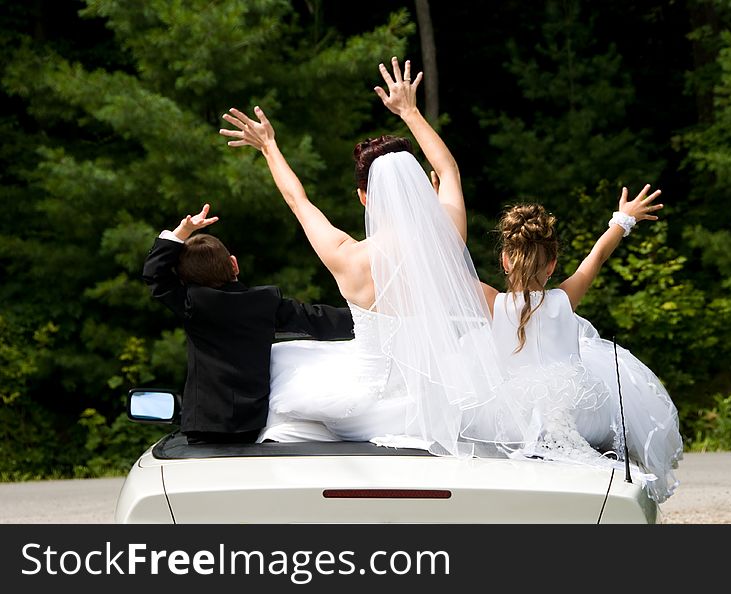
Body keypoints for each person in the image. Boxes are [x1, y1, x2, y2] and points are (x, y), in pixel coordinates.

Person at [220, 57, 502, 456]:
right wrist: (410, 112)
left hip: (362, 408)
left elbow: (298, 202)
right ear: (420, 190)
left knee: (285, 358)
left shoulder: (347, 257)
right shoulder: (446, 239)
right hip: (437, 402)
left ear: (363, 197)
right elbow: (450, 170)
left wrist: (269, 147)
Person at [471, 192, 684, 503]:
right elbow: (596, 256)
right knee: (600, 410)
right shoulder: (564, 299)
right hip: (573, 408)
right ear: (553, 263)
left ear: (505, 260)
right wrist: (624, 219)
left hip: (511, 414)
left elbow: (446, 273)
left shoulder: (491, 302)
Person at [142, 204, 355, 445]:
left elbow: (154, 274)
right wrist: (373, 318)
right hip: (252, 423)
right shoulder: (265, 302)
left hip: (205, 424)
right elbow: (319, 320)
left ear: (184, 279)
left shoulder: (194, 303)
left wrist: (181, 231)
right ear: (234, 264)